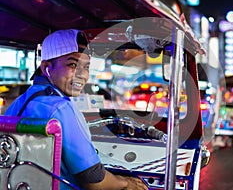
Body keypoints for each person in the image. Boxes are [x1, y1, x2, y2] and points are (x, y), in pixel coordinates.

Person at [5, 29, 147, 190]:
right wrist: (126, 183)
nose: (82, 75)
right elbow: (94, 180)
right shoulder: (60, 108)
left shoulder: (21, 101)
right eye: (73, 64)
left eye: (86, 67)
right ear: (47, 67)